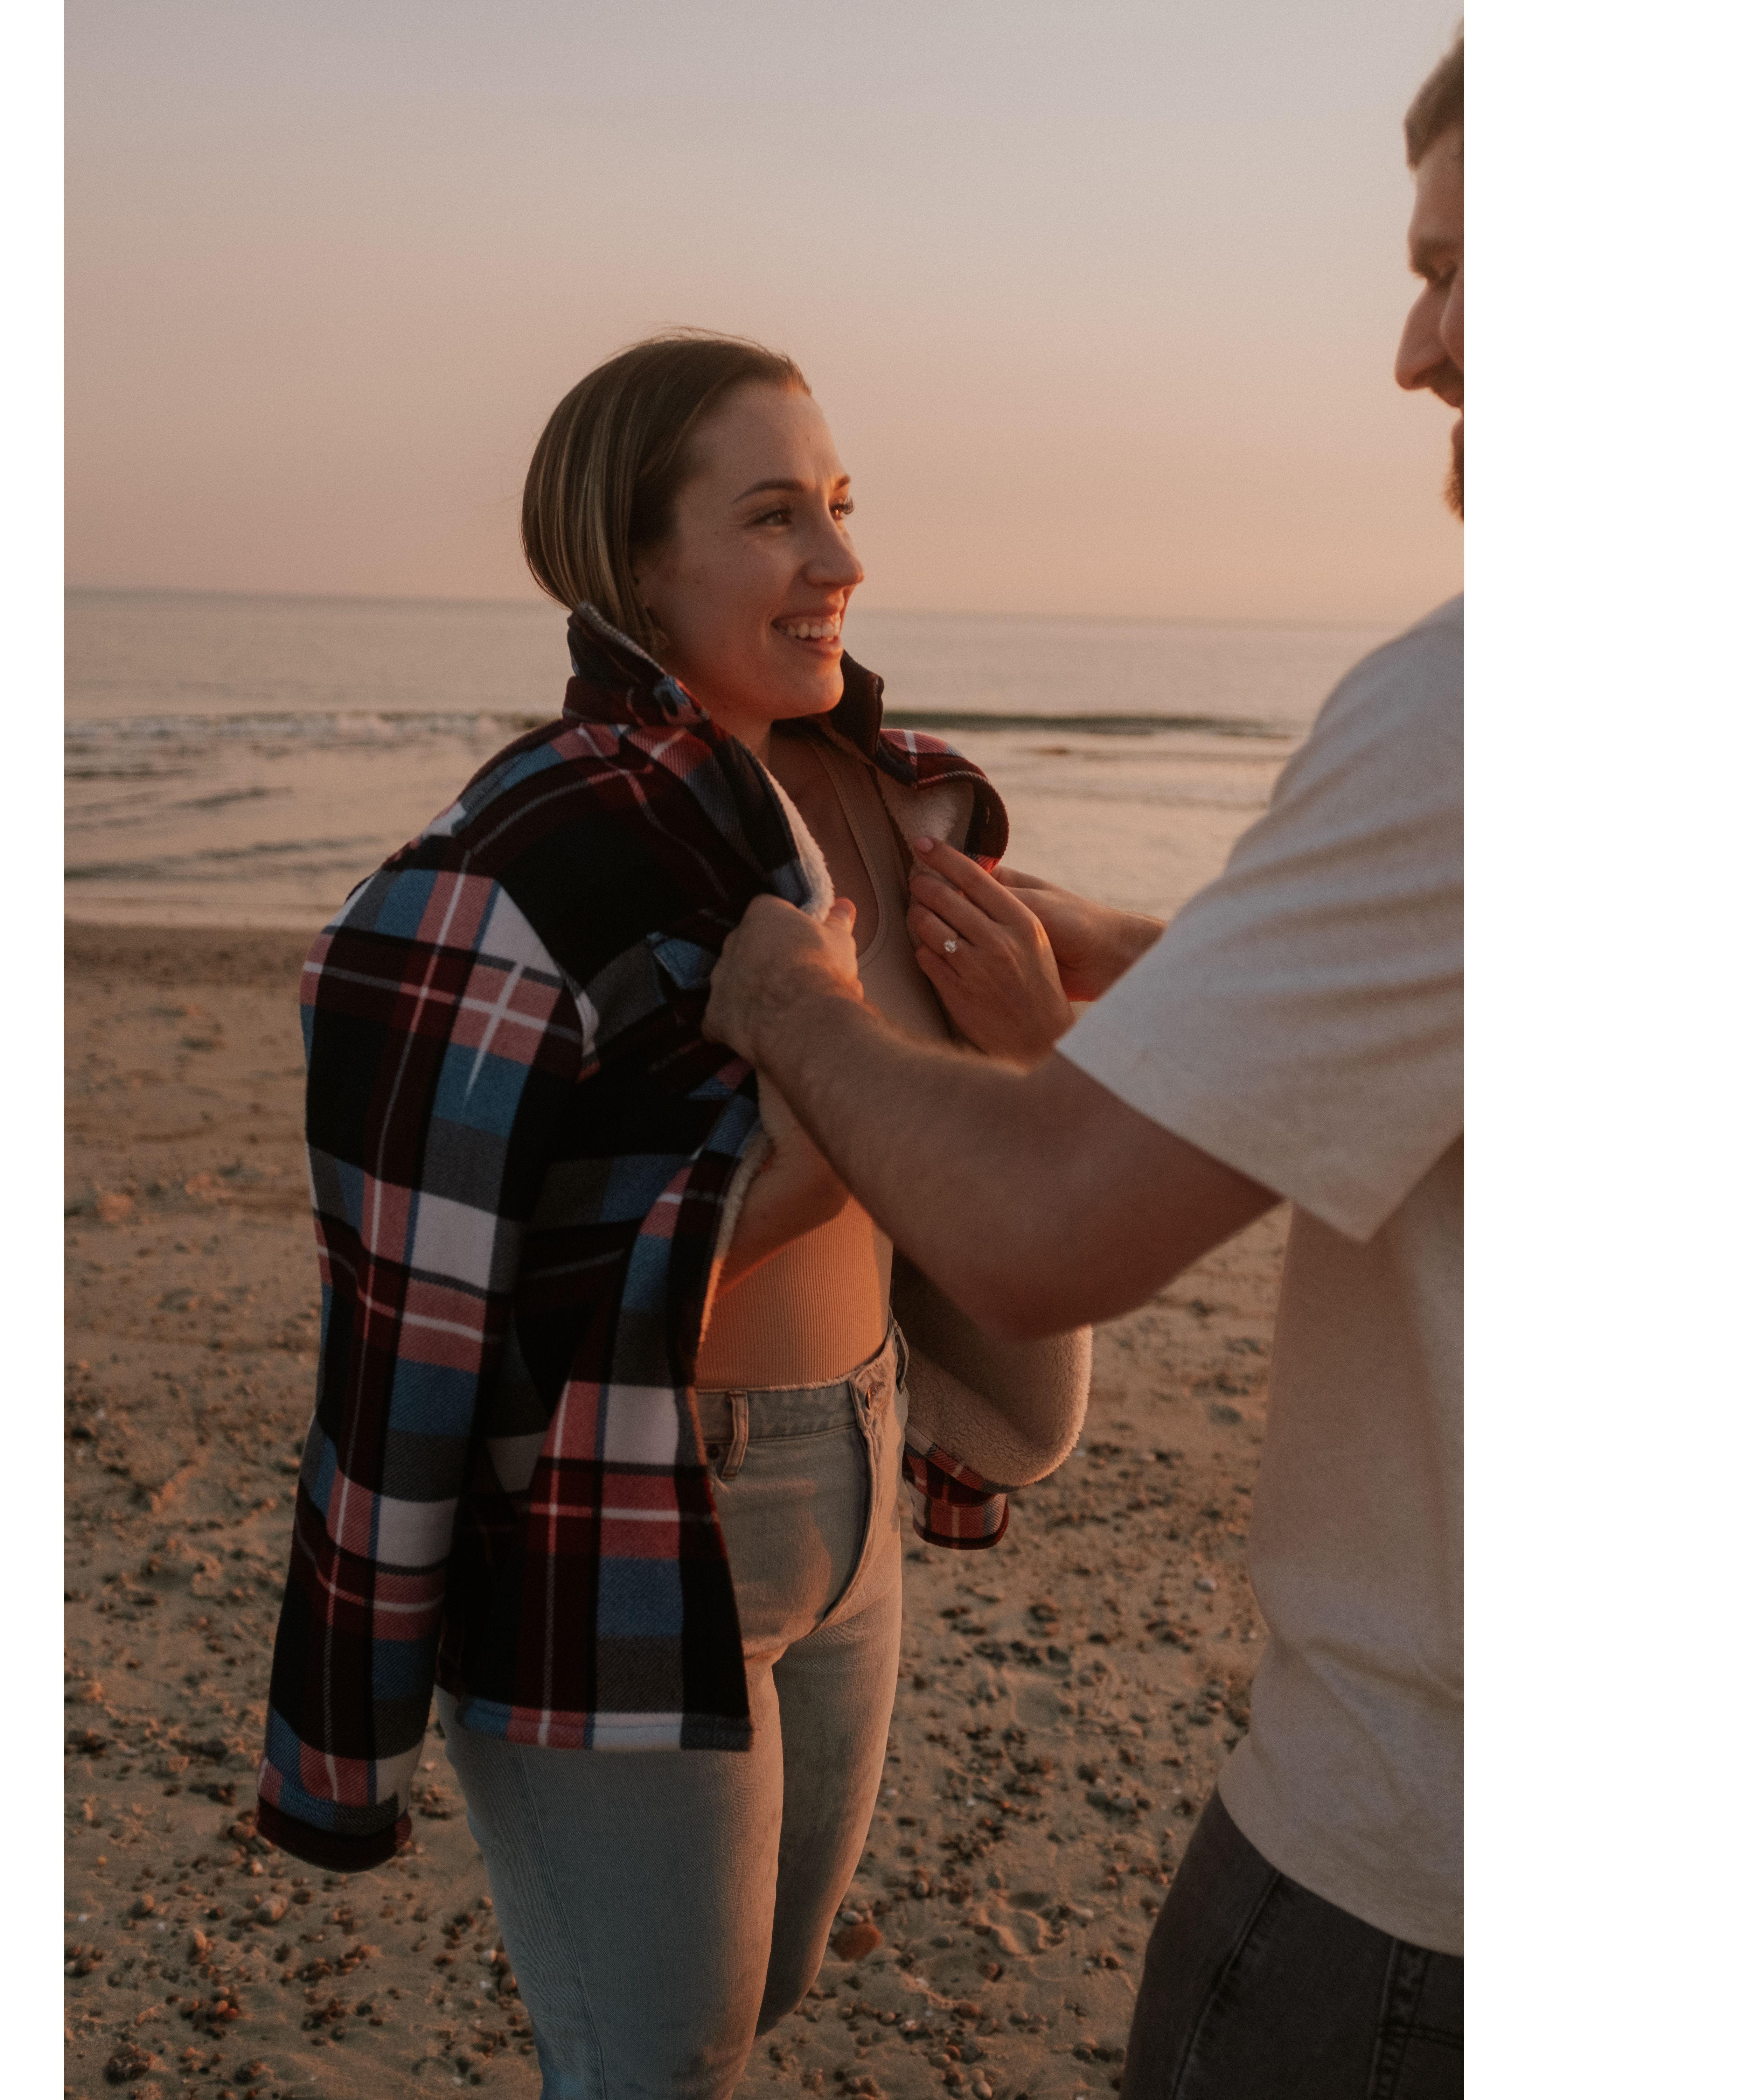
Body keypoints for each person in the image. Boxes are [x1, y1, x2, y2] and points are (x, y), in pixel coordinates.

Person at [704, 36, 1466, 2098]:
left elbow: (1046, 1228)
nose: (1416, 350)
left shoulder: (1478, 720)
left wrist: (796, 1008)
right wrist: (1151, 966)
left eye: (1460, 275)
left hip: (1423, 1890)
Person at [252, 330, 1090, 2096]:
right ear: (636, 566)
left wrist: (1026, 1048)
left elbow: (1130, 1004)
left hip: (854, 1464)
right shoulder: (537, 854)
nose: (841, 560)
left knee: (762, 1992)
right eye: (776, 515)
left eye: (841, 505)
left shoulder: (894, 800)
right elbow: (504, 1308)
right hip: (641, 1503)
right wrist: (822, 1135)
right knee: (654, 2065)